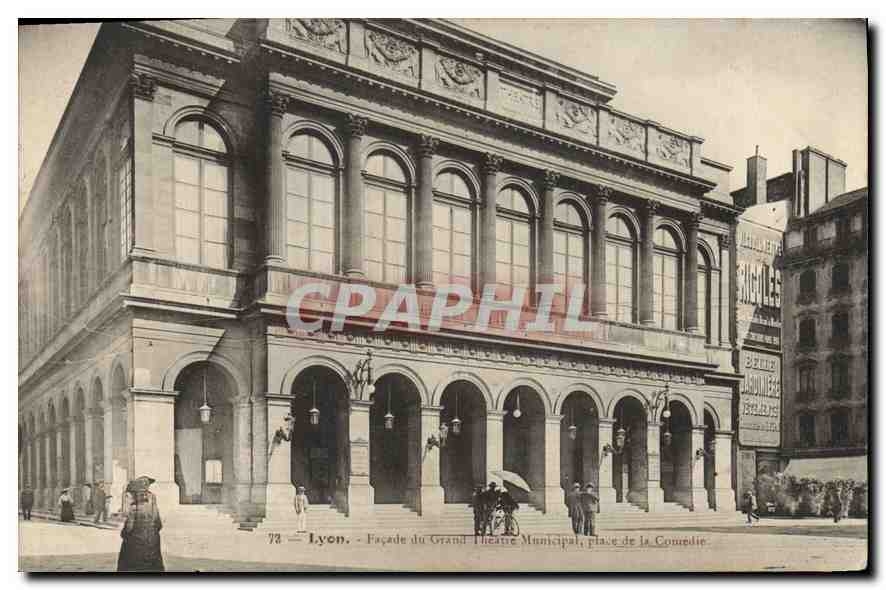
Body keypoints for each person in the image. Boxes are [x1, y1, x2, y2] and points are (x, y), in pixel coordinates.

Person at [117, 476, 164, 572]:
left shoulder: (134, 507)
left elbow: (128, 528)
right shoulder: (153, 505)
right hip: (152, 544)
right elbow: (159, 525)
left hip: (136, 545)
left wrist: (124, 534)